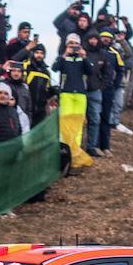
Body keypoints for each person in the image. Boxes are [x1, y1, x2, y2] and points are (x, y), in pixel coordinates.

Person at [52, 35, 94, 170]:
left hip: (80, 94)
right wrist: (64, 54)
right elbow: (54, 67)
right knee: (65, 123)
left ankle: (75, 154)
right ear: (66, 44)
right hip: (66, 93)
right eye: (71, 43)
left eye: (76, 44)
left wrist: (84, 56)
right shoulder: (63, 58)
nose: (73, 46)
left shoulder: (82, 59)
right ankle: (64, 152)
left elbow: (91, 71)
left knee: (77, 125)